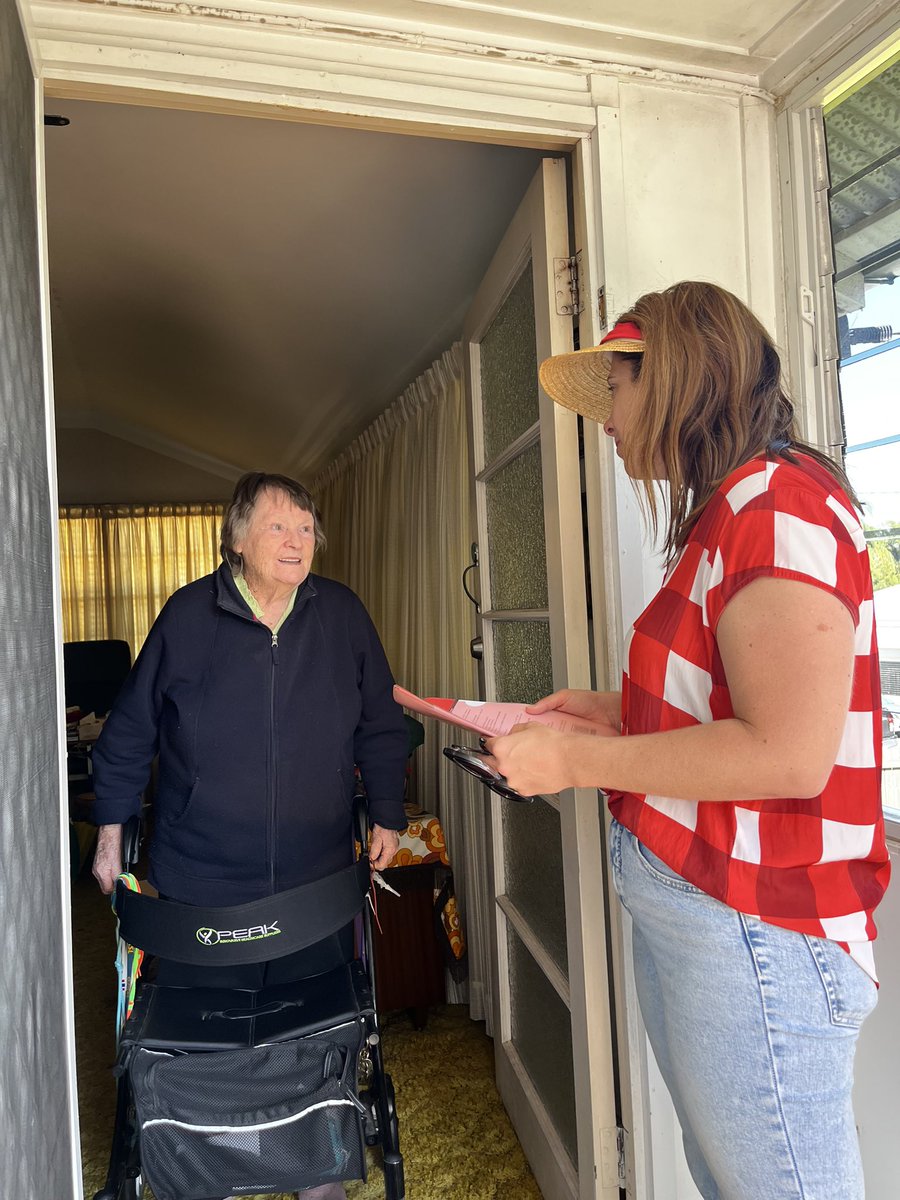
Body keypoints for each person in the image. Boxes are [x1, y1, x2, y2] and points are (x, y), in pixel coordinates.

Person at [486, 282, 891, 1200]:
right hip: (715, 920)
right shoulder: (736, 506)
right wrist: (615, 713)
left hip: (758, 929)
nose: (608, 424)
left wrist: (579, 761)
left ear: (667, 381)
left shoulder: (776, 507)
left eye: (616, 395)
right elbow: (728, 710)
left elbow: (786, 752)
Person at [91, 471, 409, 1200]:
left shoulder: (342, 615)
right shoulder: (186, 619)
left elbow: (381, 725)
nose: (296, 541)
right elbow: (130, 733)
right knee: (211, 1041)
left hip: (313, 882)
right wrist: (110, 833)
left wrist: (386, 810)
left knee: (312, 1030)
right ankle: (212, 1164)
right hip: (203, 888)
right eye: (277, 527)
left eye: (305, 528)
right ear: (237, 540)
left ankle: (316, 1166)